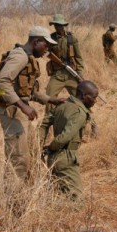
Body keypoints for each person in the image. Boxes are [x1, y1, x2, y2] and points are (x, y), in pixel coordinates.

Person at [0, 26, 66, 183]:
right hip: (11, 111)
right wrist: (23, 106)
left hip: (19, 110)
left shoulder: (28, 57)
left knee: (30, 152)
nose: (46, 50)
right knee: (18, 158)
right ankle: (14, 202)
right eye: (45, 45)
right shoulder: (20, 57)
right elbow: (2, 82)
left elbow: (28, 90)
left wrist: (52, 100)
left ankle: (26, 192)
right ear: (36, 41)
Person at [43, 80, 98, 201]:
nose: (95, 101)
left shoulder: (61, 105)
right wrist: (51, 147)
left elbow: (44, 124)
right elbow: (65, 137)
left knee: (58, 196)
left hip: (53, 158)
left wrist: (43, 147)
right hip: (66, 158)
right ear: (84, 96)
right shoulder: (79, 113)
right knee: (78, 202)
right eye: (93, 97)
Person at [39, 14, 84, 147]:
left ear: (64, 25)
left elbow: (79, 57)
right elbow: (44, 52)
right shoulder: (50, 39)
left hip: (71, 75)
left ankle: (90, 126)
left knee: (82, 101)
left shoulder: (72, 38)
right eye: (56, 25)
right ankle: (45, 133)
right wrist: (50, 55)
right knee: (49, 100)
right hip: (57, 75)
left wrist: (79, 75)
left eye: (61, 25)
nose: (59, 27)